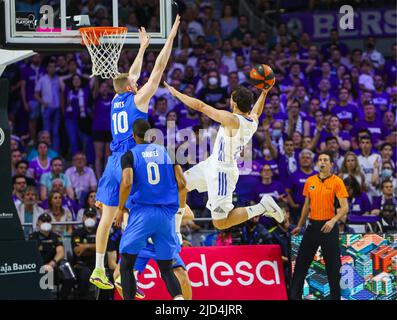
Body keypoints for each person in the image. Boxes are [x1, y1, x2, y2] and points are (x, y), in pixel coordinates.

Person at [91, 16, 181, 290]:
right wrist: (171, 37)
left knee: (108, 218)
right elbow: (158, 69)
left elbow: (132, 74)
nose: (138, 83)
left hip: (111, 161)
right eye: (135, 83)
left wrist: (142, 48)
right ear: (132, 88)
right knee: (139, 214)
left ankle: (99, 269)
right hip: (131, 161)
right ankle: (126, 274)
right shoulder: (138, 98)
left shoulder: (116, 99)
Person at [165, 82, 285, 232]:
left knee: (220, 223)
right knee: (179, 186)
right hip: (212, 163)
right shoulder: (252, 121)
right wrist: (264, 93)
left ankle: (262, 206)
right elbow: (257, 112)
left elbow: (201, 106)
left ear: (233, 102)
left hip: (222, 173)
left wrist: (177, 94)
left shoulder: (232, 120)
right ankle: (176, 231)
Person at [113, 119, 185, 300]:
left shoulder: (129, 155)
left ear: (133, 136)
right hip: (166, 214)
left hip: (143, 213)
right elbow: (183, 183)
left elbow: (127, 182)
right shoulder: (169, 152)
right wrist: (177, 211)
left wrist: (121, 209)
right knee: (167, 268)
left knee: (127, 265)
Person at [290, 151, 349, 300]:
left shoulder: (337, 181)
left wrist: (333, 220)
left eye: (325, 159)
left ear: (331, 164)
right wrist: (299, 225)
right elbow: (306, 205)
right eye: (320, 159)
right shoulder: (310, 181)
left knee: (334, 269)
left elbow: (345, 207)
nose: (322, 162)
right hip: (312, 227)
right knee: (300, 267)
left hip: (329, 227)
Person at [29, 213, 73, 299]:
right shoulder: (33, 237)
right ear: (38, 223)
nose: (46, 223)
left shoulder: (56, 237)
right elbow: (30, 254)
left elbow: (60, 252)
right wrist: (43, 266)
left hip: (53, 263)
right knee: (46, 273)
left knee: (68, 272)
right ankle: (47, 297)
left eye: (48, 221)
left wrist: (52, 263)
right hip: (39, 265)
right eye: (43, 221)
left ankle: (62, 297)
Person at [71, 208, 99, 299]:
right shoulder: (77, 232)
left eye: (92, 216)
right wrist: (95, 247)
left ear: (96, 218)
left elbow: (105, 247)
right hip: (82, 264)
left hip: (98, 264)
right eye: (87, 216)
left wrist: (86, 246)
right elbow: (78, 251)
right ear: (83, 217)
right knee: (84, 275)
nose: (89, 218)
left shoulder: (100, 231)